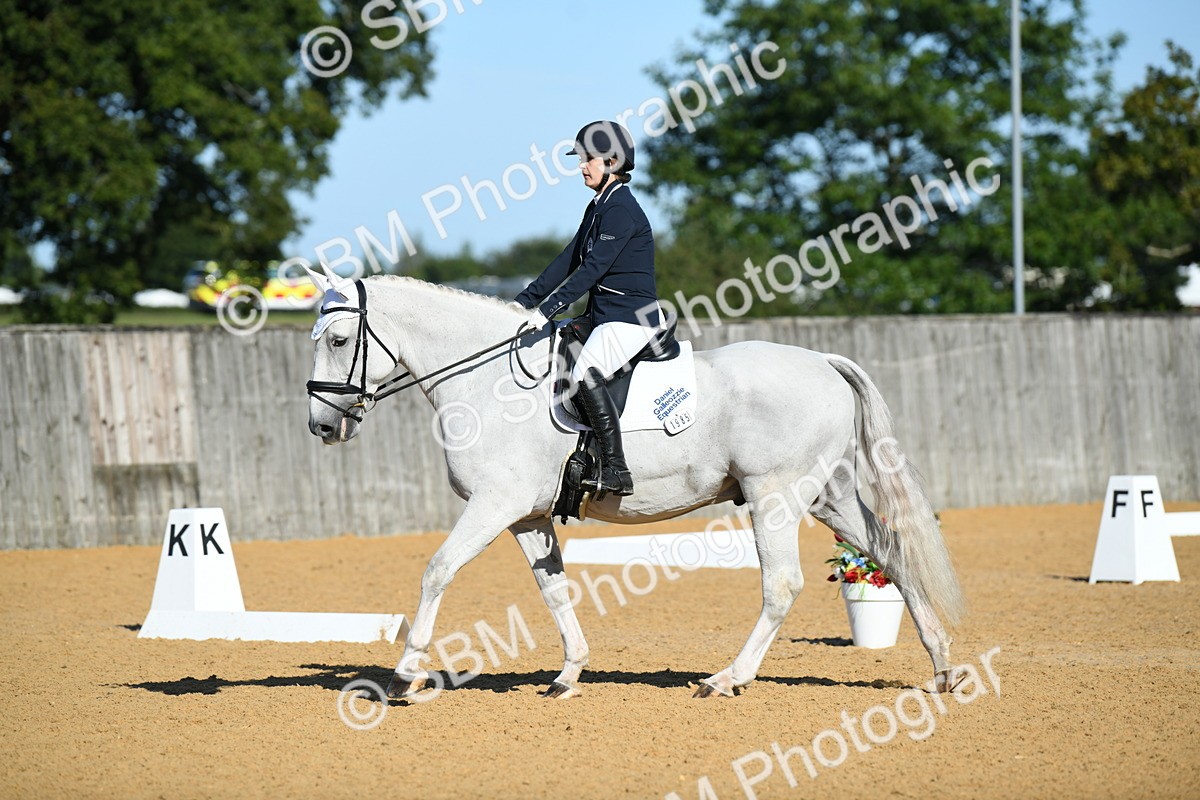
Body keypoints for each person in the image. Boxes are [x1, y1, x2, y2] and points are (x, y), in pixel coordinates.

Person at [515, 120, 663, 497]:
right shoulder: (599, 206)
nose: (581, 166)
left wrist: (549, 308)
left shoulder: (621, 211)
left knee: (584, 373)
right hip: (604, 316)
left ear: (612, 161)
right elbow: (569, 259)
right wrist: (523, 303)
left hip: (632, 319)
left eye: (588, 159)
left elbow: (594, 268)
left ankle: (617, 470)